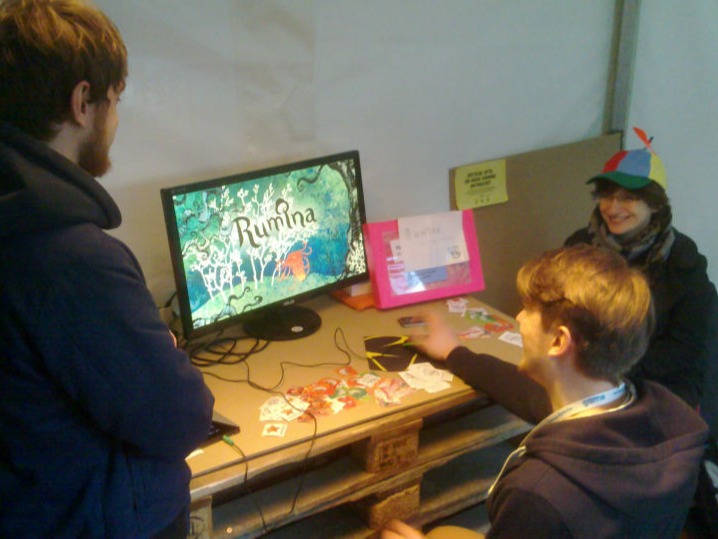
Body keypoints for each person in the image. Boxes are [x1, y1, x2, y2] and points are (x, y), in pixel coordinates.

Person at [0, 1, 214, 537]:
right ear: (82, 103)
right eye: (114, 101)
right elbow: (184, 418)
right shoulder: (73, 260)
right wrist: (163, 349)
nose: (114, 121)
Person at [382, 245, 708, 538]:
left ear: (558, 341)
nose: (519, 317)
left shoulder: (538, 495)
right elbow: (531, 396)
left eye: (527, 310)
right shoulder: (661, 415)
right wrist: (455, 353)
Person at [565, 128, 718, 413]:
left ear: (655, 203)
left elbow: (684, 351)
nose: (613, 208)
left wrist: (610, 368)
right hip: (588, 377)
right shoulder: (578, 247)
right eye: (607, 196)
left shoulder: (684, 264)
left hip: (658, 386)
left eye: (628, 198)